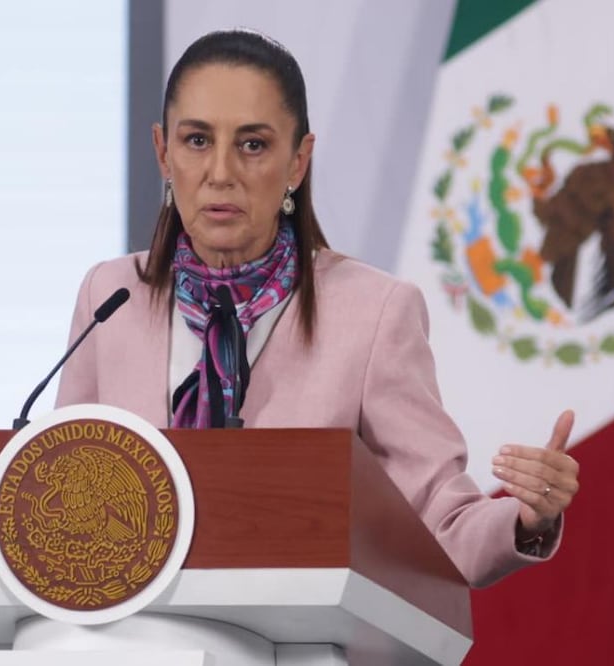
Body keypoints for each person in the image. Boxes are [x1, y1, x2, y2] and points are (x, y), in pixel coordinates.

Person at [55, 29, 579, 588]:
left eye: (253, 145)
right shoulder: (109, 297)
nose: (221, 172)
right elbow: (56, 493)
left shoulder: (374, 312)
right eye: (197, 140)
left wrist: (525, 520)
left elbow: (436, 521)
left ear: (298, 161)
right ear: (164, 152)